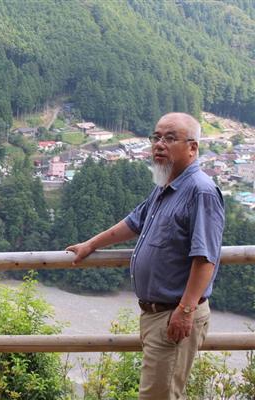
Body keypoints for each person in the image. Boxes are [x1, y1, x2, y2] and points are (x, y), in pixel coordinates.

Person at [65, 112, 224, 399]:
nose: (159, 144)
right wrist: (91, 244)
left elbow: (205, 259)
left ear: (192, 147)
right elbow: (134, 221)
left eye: (170, 138)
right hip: (156, 314)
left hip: (173, 315)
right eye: (156, 137)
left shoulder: (201, 192)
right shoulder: (166, 186)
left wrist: (185, 311)